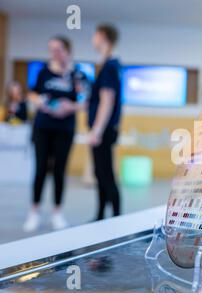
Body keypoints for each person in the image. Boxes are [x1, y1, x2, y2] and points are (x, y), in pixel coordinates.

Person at [24, 36, 87, 232]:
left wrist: (71, 106)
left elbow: (84, 101)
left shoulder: (78, 75)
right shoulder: (43, 72)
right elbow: (32, 93)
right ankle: (34, 211)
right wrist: (39, 101)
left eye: (58, 49)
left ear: (67, 51)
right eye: (51, 49)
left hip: (65, 129)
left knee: (59, 170)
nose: (54, 53)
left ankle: (57, 212)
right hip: (43, 127)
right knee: (41, 168)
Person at [87, 24, 122, 221]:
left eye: (95, 35)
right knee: (100, 173)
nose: (93, 39)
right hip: (105, 128)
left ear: (103, 37)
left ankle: (117, 217)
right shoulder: (111, 65)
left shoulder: (109, 66)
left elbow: (107, 101)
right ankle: (100, 215)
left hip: (104, 129)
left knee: (106, 174)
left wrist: (97, 131)